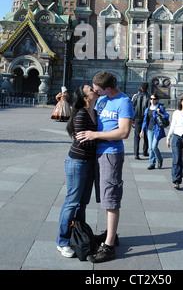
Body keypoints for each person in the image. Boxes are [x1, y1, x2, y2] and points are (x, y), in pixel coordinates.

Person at [76, 71, 134, 263]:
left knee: (111, 197)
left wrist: (95, 136)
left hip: (111, 153)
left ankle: (109, 246)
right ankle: (111, 233)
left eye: (98, 90)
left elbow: (124, 132)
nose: (95, 91)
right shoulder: (102, 99)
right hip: (97, 153)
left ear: (108, 88)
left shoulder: (123, 102)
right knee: (103, 196)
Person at [56, 85, 99, 258]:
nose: (94, 89)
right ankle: (62, 241)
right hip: (77, 162)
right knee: (72, 202)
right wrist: (103, 137)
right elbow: (83, 141)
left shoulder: (94, 112)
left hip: (89, 162)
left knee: (83, 203)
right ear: (85, 97)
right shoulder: (81, 114)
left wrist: (97, 135)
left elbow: (91, 138)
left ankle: (79, 235)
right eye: (90, 89)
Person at [140, 93, 169, 170]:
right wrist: (142, 130)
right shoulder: (148, 109)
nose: (152, 100)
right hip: (149, 130)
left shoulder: (160, 107)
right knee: (150, 148)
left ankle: (159, 159)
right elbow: (145, 121)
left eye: (154, 99)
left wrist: (160, 113)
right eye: (151, 99)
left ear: (157, 100)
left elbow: (167, 116)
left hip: (157, 129)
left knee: (154, 146)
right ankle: (152, 163)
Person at [132, 82, 150, 159]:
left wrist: (133, 119)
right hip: (146, 118)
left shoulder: (136, 97)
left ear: (141, 88)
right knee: (146, 135)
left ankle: (136, 153)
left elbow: (132, 108)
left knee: (136, 135)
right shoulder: (149, 97)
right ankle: (145, 151)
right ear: (148, 88)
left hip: (137, 117)